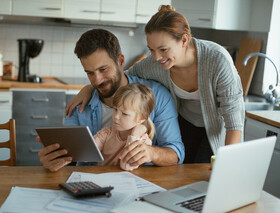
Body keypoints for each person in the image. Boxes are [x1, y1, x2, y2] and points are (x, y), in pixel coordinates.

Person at [66, 6, 245, 164]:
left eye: (163, 49)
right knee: (188, 176)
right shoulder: (154, 64)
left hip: (216, 127)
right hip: (186, 123)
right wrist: (91, 87)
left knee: (213, 172)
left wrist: (227, 165)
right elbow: (122, 75)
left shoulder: (216, 60)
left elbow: (234, 118)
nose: (157, 57)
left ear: (184, 40)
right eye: (151, 50)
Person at [38, 28, 184, 172]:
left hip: (140, 184)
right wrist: (54, 159)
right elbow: (70, 158)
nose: (97, 80)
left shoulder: (157, 96)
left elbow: (176, 153)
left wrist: (151, 153)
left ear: (120, 61)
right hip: (91, 187)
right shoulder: (80, 106)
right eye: (90, 73)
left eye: (103, 69)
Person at [94, 82, 155, 171]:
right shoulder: (106, 133)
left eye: (124, 114)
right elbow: (87, 154)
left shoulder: (143, 142)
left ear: (141, 118)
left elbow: (126, 166)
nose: (116, 116)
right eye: (115, 109)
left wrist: (133, 136)